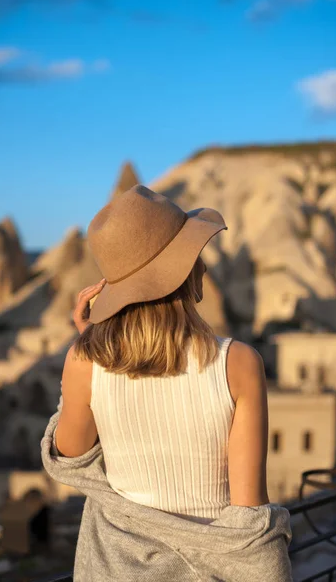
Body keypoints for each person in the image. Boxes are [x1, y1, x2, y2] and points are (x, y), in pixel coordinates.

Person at [45, 184, 292, 580]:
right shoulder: (240, 363)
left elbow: (69, 457)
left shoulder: (84, 361)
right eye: (194, 255)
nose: (204, 267)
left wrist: (84, 346)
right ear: (180, 271)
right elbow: (249, 516)